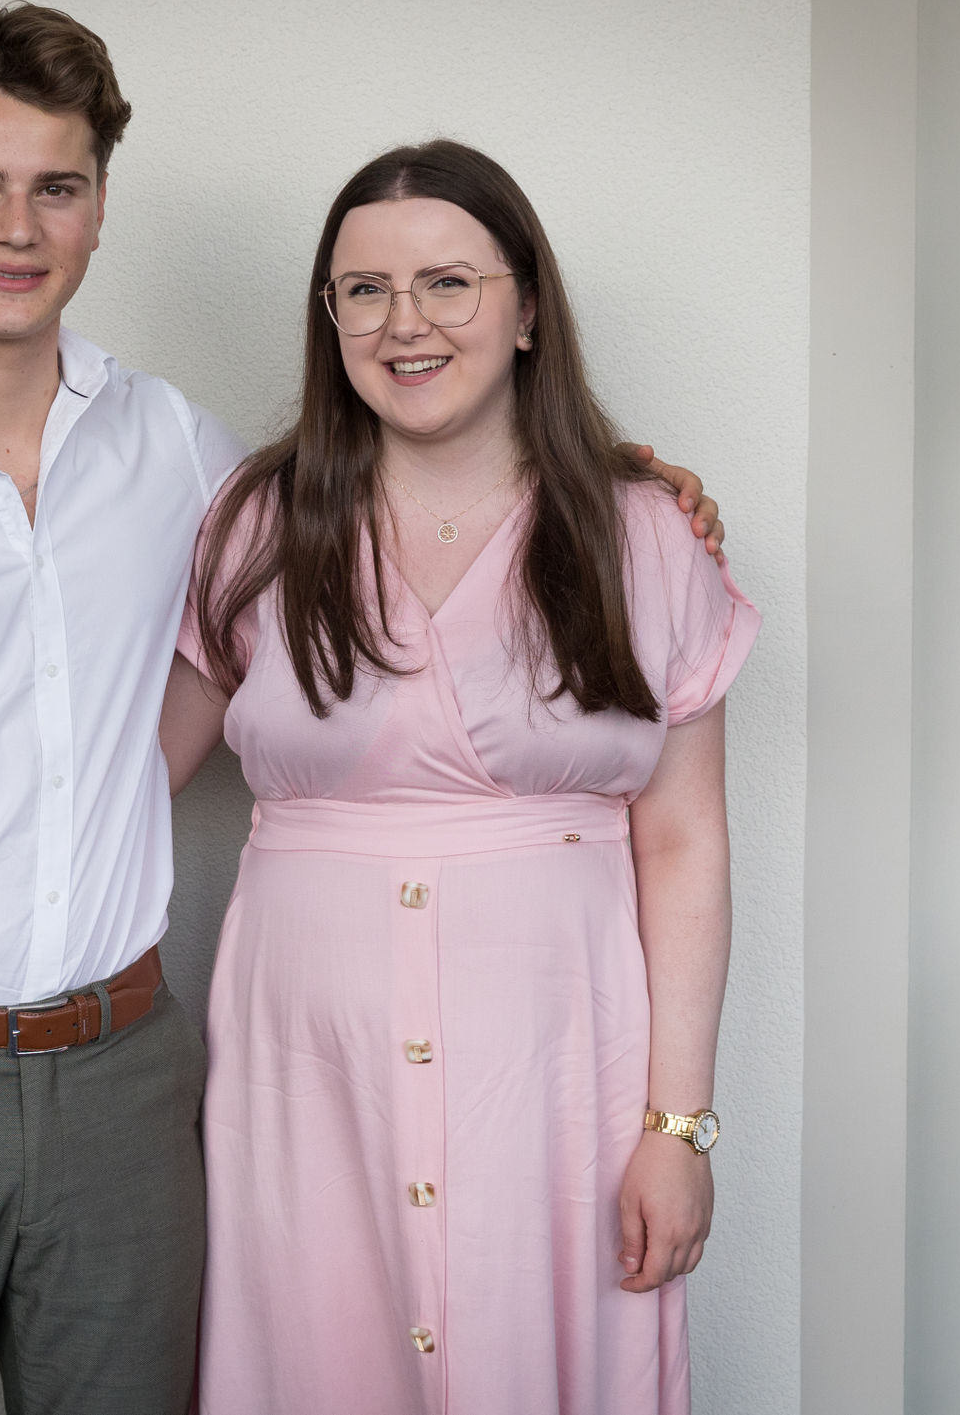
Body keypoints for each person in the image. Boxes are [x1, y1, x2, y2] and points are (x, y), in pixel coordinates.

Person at [0, 1, 727, 1415]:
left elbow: (426, 481)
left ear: (100, 208)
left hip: (127, 1077)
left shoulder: (178, 456)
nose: (17, 227)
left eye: (57, 187)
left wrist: (627, 489)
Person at [160, 140, 758, 1414]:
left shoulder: (644, 533)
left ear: (527, 307)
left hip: (561, 1082)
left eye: (448, 283)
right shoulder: (257, 524)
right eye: (365, 290)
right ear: (329, 318)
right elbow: (121, 777)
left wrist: (680, 1130)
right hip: (306, 1078)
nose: (405, 322)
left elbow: (685, 844)